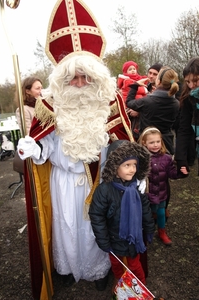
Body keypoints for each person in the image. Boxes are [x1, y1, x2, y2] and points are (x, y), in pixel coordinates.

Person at [17, 53, 134, 299]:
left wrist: (133, 173)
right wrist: (32, 147)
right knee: (66, 225)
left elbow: (123, 145)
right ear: (63, 79)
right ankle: (69, 268)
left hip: (100, 181)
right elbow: (44, 145)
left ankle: (99, 270)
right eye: (73, 78)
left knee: (96, 226)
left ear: (95, 78)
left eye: (85, 77)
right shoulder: (49, 104)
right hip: (63, 181)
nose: (80, 84)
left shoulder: (109, 101)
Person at [89, 140, 155, 294]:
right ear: (114, 166)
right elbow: (97, 216)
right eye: (127, 165)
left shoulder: (137, 187)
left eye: (134, 164)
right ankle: (120, 284)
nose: (132, 169)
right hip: (114, 237)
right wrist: (103, 240)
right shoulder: (104, 190)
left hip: (134, 238)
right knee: (117, 264)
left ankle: (141, 288)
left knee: (135, 265)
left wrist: (150, 228)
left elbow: (145, 209)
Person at [138, 127, 188, 245]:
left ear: (161, 141)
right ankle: (145, 233)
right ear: (144, 143)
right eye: (151, 142)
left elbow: (171, 173)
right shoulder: (141, 158)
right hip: (147, 194)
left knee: (161, 213)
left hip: (161, 192)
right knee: (147, 214)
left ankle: (162, 232)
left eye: (158, 141)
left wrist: (181, 172)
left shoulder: (166, 158)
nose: (155, 145)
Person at [126, 66, 180, 155]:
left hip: (148, 145)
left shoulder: (147, 101)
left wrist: (135, 86)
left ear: (158, 81)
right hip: (166, 144)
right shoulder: (176, 103)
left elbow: (129, 102)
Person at [175, 57, 199, 174]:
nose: (191, 85)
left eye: (195, 80)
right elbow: (184, 128)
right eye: (188, 82)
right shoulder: (188, 98)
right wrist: (181, 158)